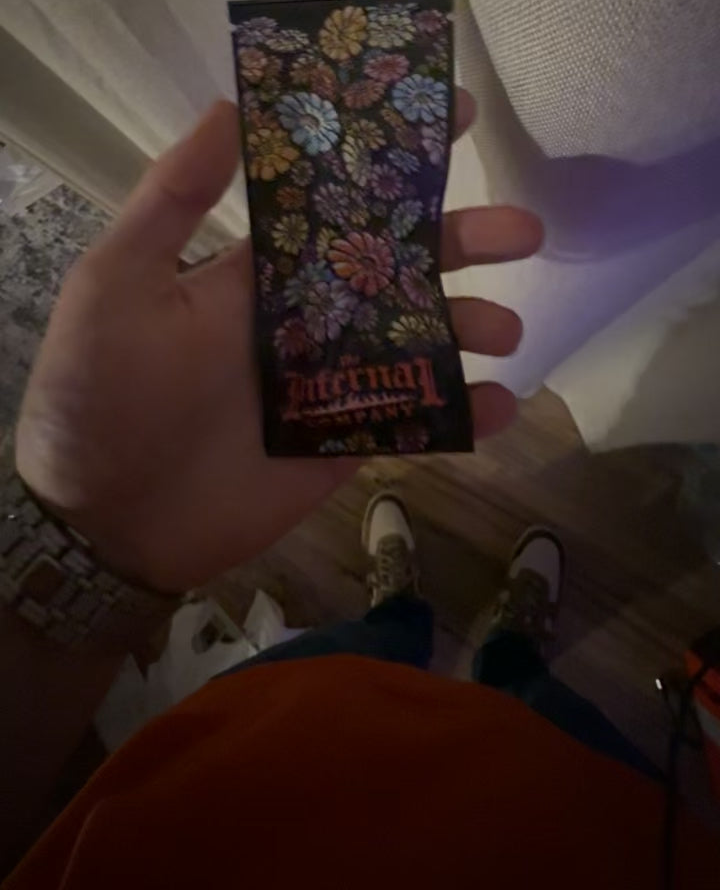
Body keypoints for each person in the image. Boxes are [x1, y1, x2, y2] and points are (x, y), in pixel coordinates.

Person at [0, 98, 716, 889]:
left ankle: (400, 618)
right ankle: (509, 660)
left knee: (349, 667)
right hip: (585, 840)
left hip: (246, 775)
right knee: (538, 722)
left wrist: (96, 552)